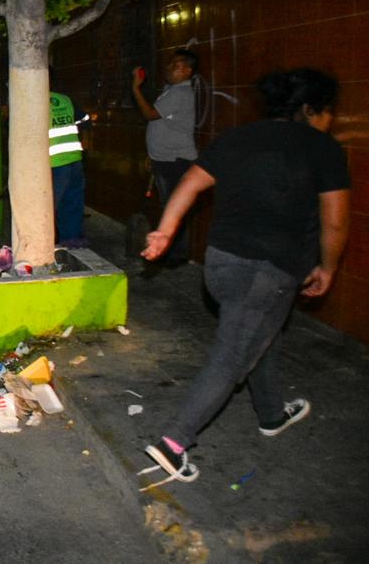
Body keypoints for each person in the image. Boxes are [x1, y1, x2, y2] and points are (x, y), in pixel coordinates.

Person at [138, 68, 350, 489]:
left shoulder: (237, 138)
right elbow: (335, 222)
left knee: (259, 333)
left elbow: (190, 184)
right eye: (328, 112)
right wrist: (327, 267)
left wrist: (165, 230)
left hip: (220, 265)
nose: (330, 120)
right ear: (310, 109)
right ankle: (174, 443)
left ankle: (271, 413)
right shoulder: (322, 148)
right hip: (268, 270)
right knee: (234, 352)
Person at [132, 48, 199, 266]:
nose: (169, 68)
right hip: (165, 159)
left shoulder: (180, 93)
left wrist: (135, 88)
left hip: (175, 161)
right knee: (169, 206)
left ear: (187, 71)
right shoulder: (171, 90)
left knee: (174, 208)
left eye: (175, 65)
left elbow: (150, 114)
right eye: (170, 64)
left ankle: (176, 255)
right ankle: (173, 252)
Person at [49, 90, 87, 248]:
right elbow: (85, 120)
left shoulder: (33, 100)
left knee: (47, 207)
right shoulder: (65, 98)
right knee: (72, 203)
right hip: (74, 159)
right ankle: (72, 242)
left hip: (53, 163)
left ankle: (41, 246)